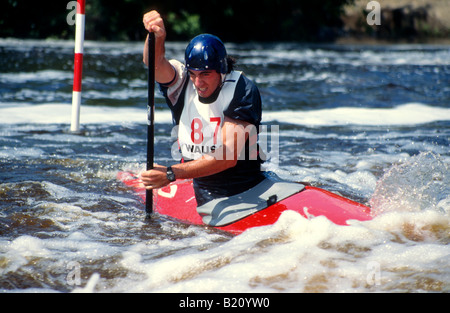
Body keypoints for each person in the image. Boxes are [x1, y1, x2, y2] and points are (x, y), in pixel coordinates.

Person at [140, 10, 266, 207]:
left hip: (243, 185)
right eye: (193, 74)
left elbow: (227, 156)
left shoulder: (242, 89)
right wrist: (157, 37)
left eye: (206, 74)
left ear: (222, 70)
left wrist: (171, 173)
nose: (198, 83)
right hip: (196, 181)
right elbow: (154, 64)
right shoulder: (181, 83)